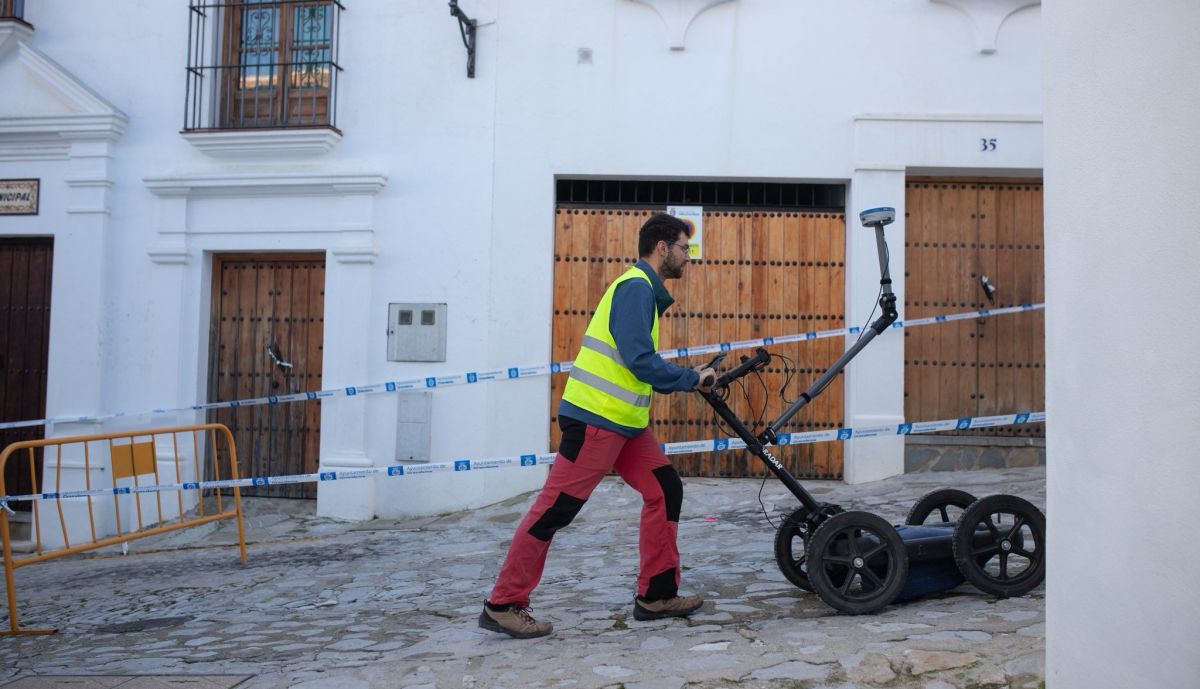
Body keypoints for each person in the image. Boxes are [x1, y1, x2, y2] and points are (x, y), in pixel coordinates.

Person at [479, 213, 717, 639]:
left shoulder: (644, 291)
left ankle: (657, 595)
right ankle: (504, 603)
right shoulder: (634, 288)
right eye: (684, 248)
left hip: (625, 425)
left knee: (665, 490)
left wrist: (690, 375)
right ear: (662, 248)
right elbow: (639, 359)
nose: (688, 257)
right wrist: (688, 378)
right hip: (596, 422)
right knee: (555, 510)